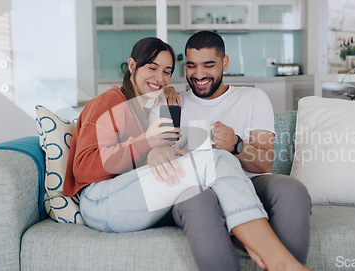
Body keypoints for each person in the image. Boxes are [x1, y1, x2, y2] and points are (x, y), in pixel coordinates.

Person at [63, 38, 306, 271]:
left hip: (126, 200)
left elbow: (141, 157)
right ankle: (275, 257)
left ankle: (262, 246)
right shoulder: (110, 99)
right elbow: (83, 168)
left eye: (167, 71)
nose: (159, 78)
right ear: (132, 66)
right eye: (152, 68)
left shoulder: (147, 108)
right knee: (217, 159)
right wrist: (147, 143)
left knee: (206, 150)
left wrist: (155, 144)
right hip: (99, 202)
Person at [170, 31, 313, 270]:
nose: (199, 74)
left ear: (225, 63)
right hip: (199, 191)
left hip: (249, 185)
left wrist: (237, 145)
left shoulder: (253, 97)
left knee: (292, 188)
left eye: (209, 65)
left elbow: (265, 163)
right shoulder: (175, 103)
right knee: (200, 199)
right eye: (191, 66)